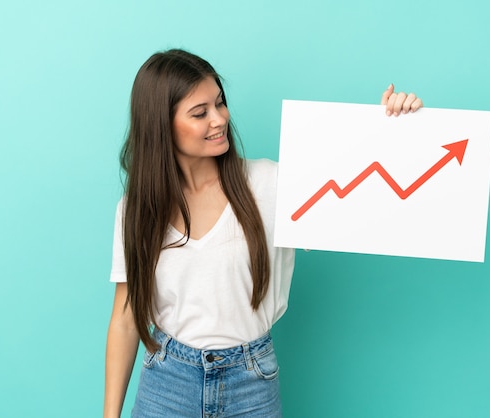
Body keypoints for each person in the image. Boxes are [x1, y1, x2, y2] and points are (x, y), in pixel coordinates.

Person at [103, 48, 423, 418]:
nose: (219, 119)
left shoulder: (271, 184)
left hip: (250, 382)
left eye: (220, 104)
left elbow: (372, 192)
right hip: (167, 381)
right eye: (200, 112)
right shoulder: (136, 209)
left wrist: (396, 126)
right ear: (160, 124)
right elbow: (125, 320)